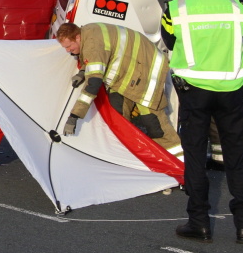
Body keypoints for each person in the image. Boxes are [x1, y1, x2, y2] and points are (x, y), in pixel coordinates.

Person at [161, 0, 243, 244]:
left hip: (194, 91)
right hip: (231, 90)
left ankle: (199, 223)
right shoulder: (234, 6)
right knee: (237, 158)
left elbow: (169, 41)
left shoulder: (175, 8)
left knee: (195, 157)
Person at [56, 22, 182, 160]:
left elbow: (93, 84)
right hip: (128, 73)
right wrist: (83, 71)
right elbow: (96, 55)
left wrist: (74, 116)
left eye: (69, 46)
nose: (68, 51)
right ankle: (125, 156)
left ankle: (178, 163)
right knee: (118, 116)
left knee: (153, 123)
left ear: (78, 37)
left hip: (147, 71)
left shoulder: (93, 45)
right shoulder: (88, 32)